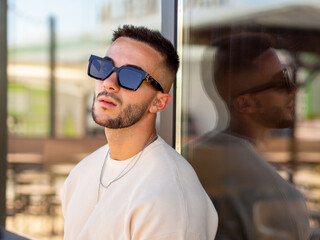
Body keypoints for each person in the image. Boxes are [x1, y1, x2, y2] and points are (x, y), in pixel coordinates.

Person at [61, 25, 218, 240]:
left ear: (158, 102)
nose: (109, 83)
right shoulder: (80, 175)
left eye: (131, 76)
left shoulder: (169, 201)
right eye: (105, 67)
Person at [185, 33, 311, 239]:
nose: (294, 89)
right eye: (281, 82)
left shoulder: (192, 157)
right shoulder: (280, 196)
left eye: (288, 76)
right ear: (245, 103)